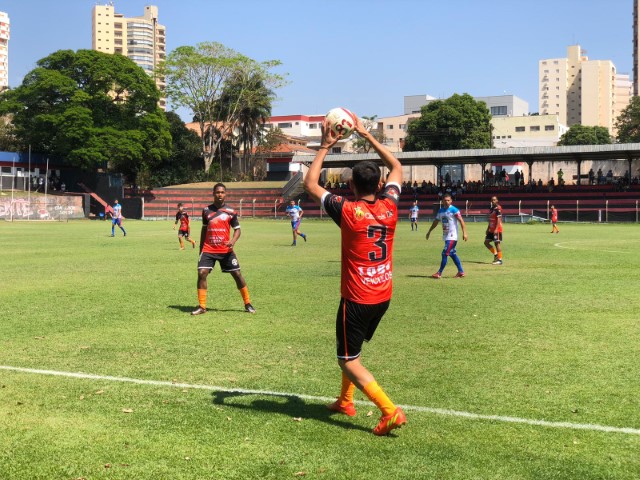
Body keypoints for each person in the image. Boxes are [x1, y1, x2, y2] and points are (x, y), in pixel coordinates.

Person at [303, 114, 406, 436]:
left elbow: (310, 184)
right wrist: (367, 135)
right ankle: (345, 401)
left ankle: (390, 411)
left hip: (357, 298)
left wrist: (324, 146)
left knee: (347, 359)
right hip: (383, 294)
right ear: (380, 184)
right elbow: (398, 168)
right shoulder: (390, 205)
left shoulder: (348, 211)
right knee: (353, 349)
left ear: (350, 186)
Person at [191, 183, 255, 315]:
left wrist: (232, 241)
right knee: (201, 273)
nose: (220, 194)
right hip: (209, 249)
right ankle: (202, 306)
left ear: (225, 194)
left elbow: (237, 230)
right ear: (213, 193)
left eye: (222, 192)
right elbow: (204, 229)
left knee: (237, 275)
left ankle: (247, 303)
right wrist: (201, 248)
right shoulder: (206, 210)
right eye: (217, 192)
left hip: (226, 250)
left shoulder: (231, 212)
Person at [426, 193, 468, 278]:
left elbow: (461, 221)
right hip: (446, 236)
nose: (447, 202)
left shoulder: (454, 210)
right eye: (445, 200)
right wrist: (429, 231)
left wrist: (465, 233)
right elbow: (436, 222)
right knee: (452, 254)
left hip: (452, 236)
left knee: (444, 253)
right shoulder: (441, 211)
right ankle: (461, 272)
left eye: (448, 200)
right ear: (442, 201)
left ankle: (439, 273)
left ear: (451, 201)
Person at [484, 196, 503, 265]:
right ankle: (495, 255)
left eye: (494, 200)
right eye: (492, 200)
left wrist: (496, 229)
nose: (493, 201)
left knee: (497, 244)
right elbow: (490, 220)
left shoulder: (498, 208)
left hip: (496, 229)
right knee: (486, 242)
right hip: (491, 229)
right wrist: (488, 228)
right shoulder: (491, 209)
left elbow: (499, 219)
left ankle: (500, 260)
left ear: (497, 200)